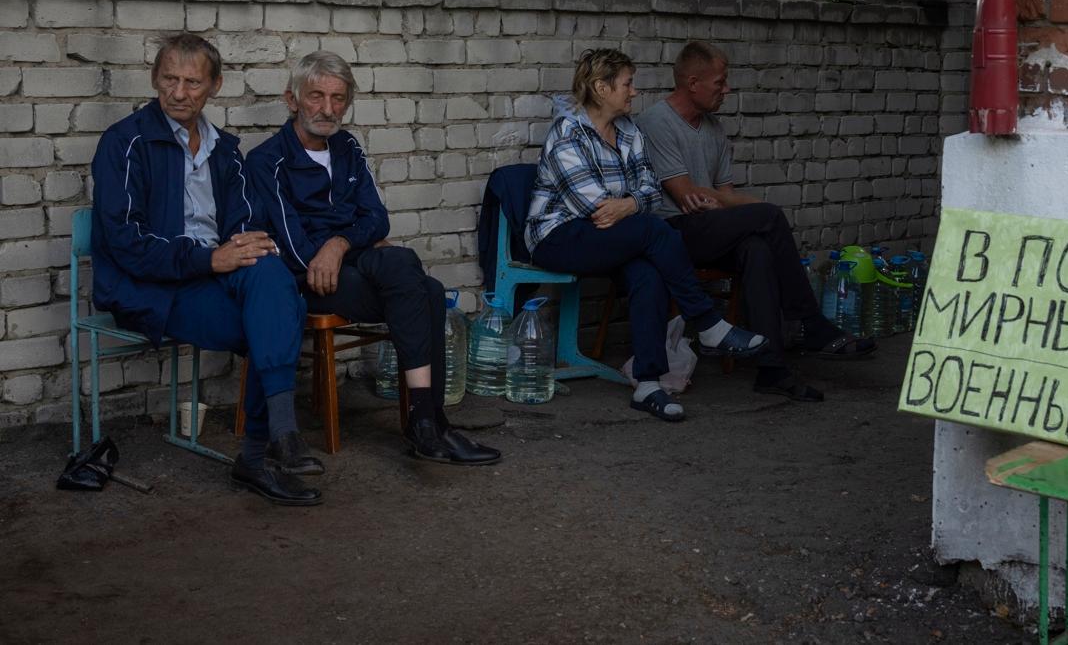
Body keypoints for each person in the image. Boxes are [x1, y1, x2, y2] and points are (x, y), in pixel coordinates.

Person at [90, 34, 321, 506]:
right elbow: (126, 243)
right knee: (277, 316)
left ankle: (276, 438)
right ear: (155, 79)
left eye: (192, 82)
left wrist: (245, 244)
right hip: (152, 288)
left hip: (213, 277)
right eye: (170, 79)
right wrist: (208, 258)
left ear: (214, 86)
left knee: (270, 272)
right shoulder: (124, 143)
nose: (179, 92)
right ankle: (264, 451)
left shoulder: (224, 150)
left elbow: (243, 223)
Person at [246, 51, 500, 466]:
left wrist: (340, 242)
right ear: (292, 100)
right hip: (307, 281)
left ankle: (427, 423)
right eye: (316, 96)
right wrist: (339, 246)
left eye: (338, 98)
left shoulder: (346, 147)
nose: (328, 109)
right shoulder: (266, 161)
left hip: (352, 263)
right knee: (428, 291)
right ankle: (429, 422)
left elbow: (376, 218)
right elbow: (294, 247)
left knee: (407, 267)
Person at [526, 48, 769, 422]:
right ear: (601, 87)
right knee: (654, 231)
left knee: (648, 271)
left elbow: (651, 190)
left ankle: (649, 385)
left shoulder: (629, 131)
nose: (634, 92)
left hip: (614, 233)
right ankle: (707, 323)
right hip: (559, 237)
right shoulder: (567, 132)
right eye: (627, 83)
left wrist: (628, 205)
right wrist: (631, 205)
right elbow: (594, 206)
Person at [635, 40, 877, 402]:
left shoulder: (714, 128)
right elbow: (685, 194)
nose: (726, 90)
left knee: (758, 248)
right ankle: (811, 324)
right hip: (672, 232)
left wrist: (732, 204)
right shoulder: (656, 121)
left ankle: (772, 369)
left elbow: (723, 194)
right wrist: (747, 205)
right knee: (768, 215)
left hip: (710, 229)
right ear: (692, 82)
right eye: (719, 82)